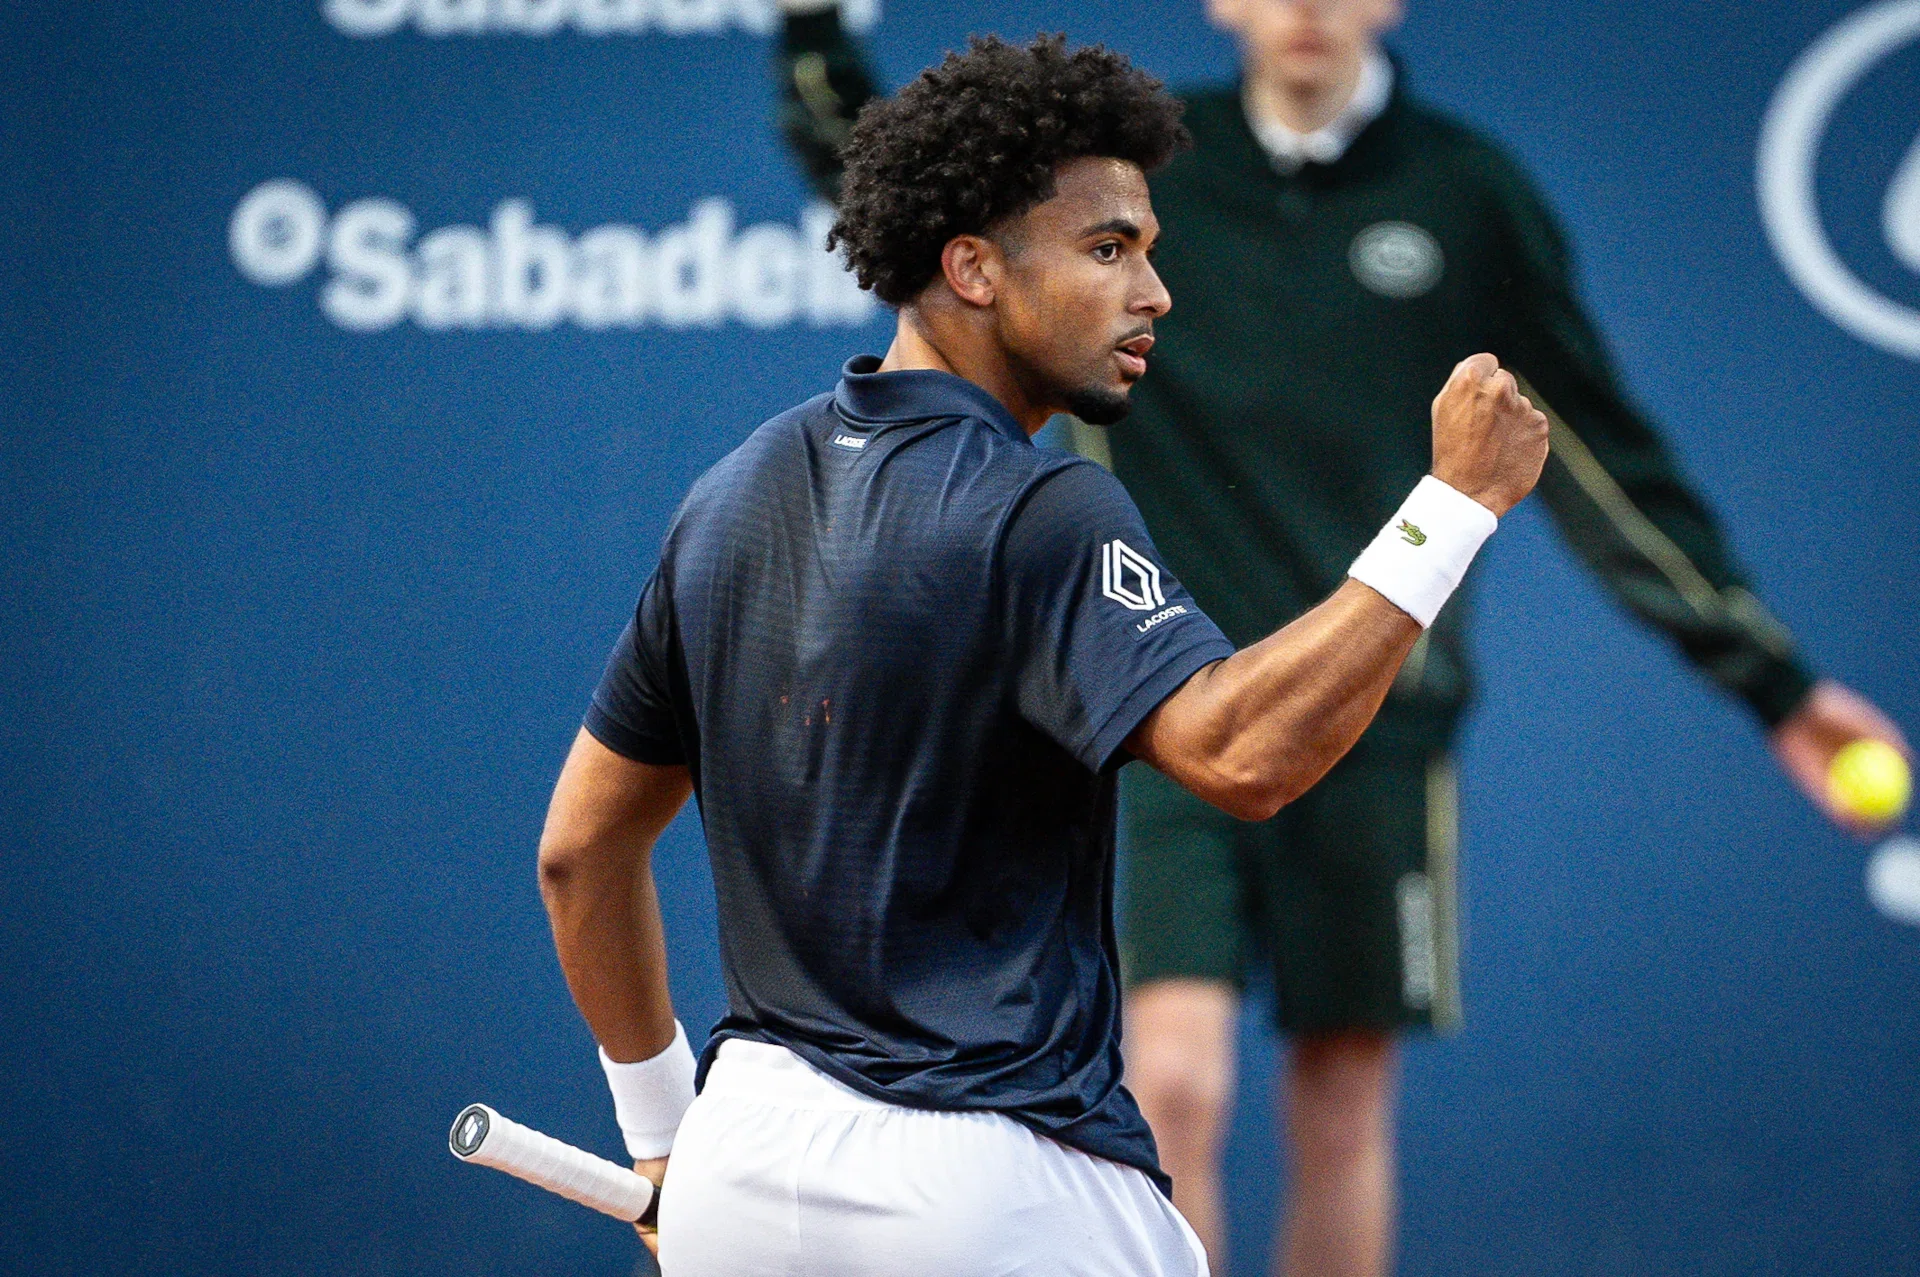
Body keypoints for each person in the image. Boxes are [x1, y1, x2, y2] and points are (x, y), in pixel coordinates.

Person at [773, 3, 1912, 1274]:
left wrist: (1778, 687)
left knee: (1340, 1096)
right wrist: (812, 27)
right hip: (1158, 701)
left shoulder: (1467, 192)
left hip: (1381, 713)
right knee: (1176, 1079)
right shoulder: (1138, 186)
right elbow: (914, 196)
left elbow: (1597, 457)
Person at [537, 33, 1549, 1277]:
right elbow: (1240, 751)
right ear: (971, 267)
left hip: (740, 1173)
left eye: (1151, 251)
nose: (1154, 294)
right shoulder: (1042, 507)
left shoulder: (728, 496)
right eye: (1109, 248)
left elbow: (581, 850)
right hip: (987, 1189)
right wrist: (1451, 506)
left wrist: (659, 1139)